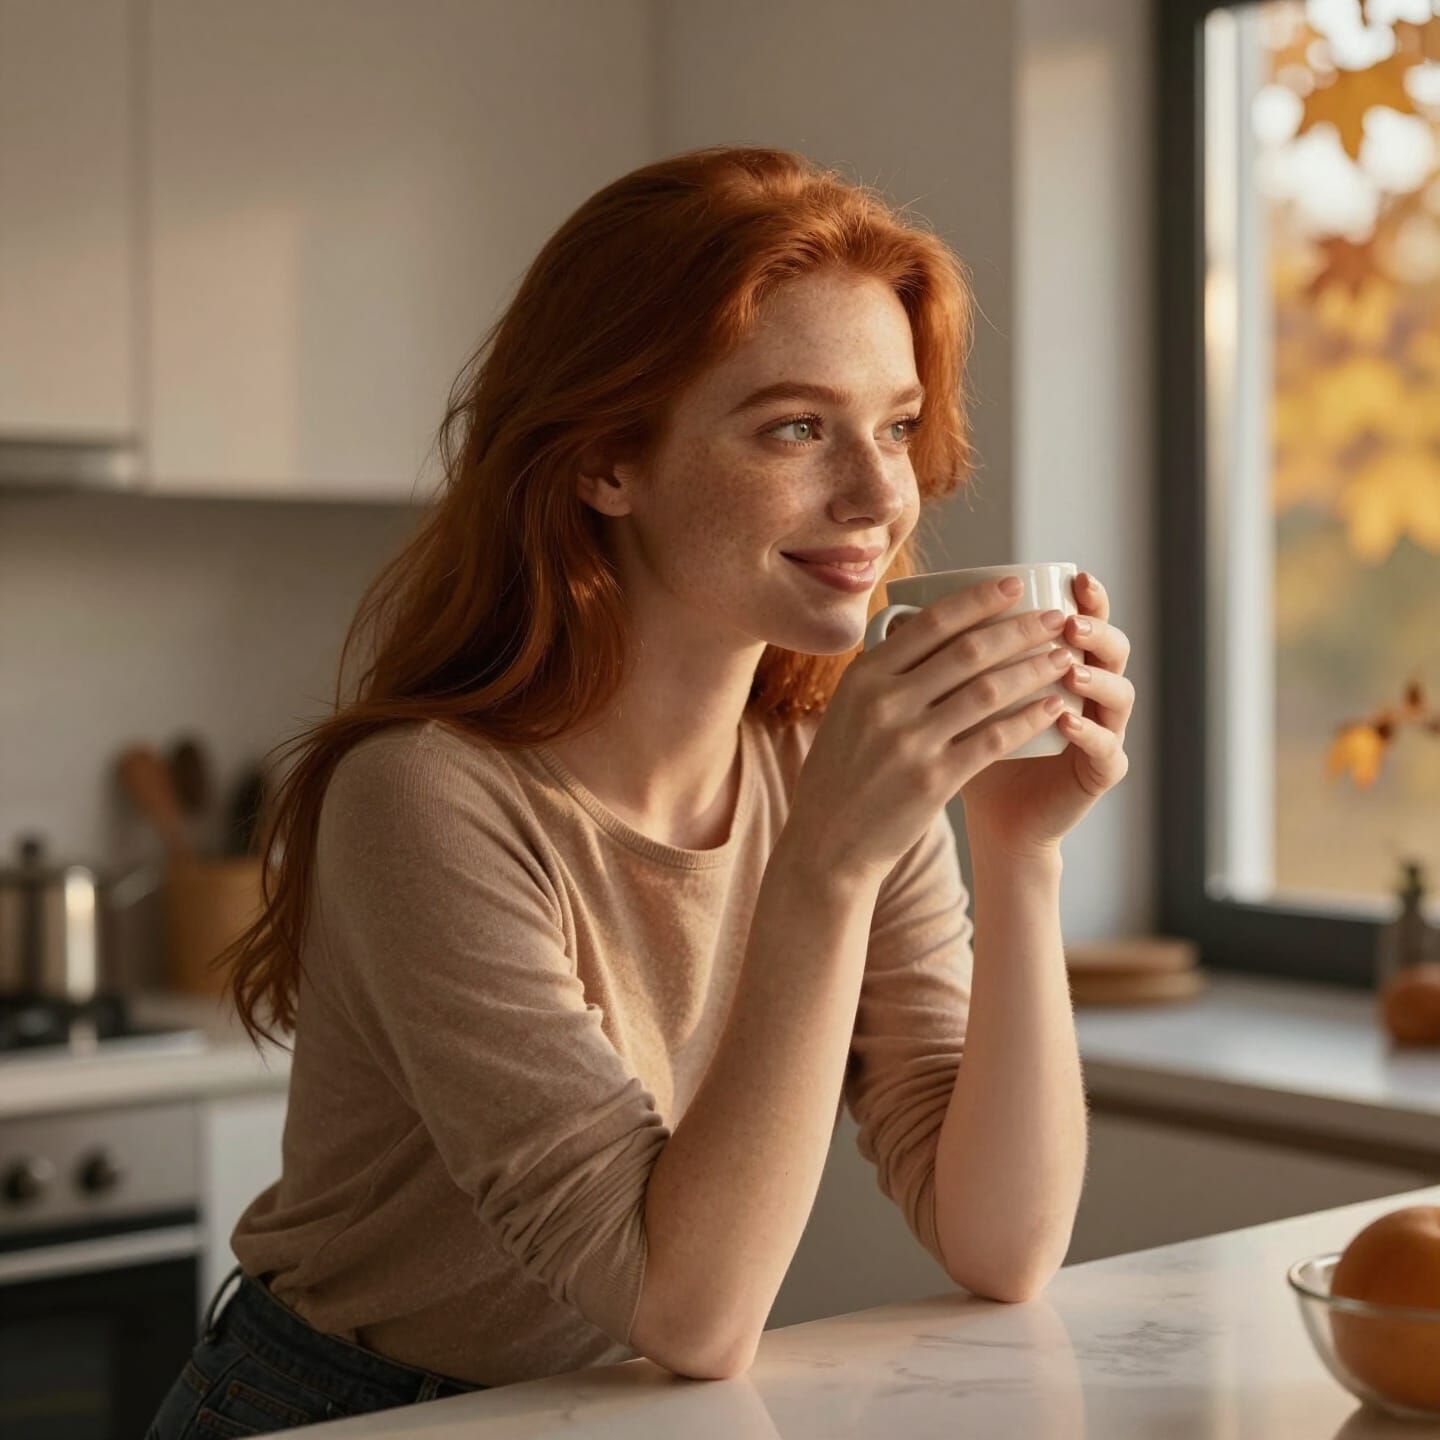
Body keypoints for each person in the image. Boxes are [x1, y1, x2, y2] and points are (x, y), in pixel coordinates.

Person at [145, 142, 1134, 1437]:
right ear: (609, 462)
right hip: (341, 1411)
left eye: (896, 425)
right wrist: (830, 862)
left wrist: (1018, 852)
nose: (881, 493)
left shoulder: (820, 763)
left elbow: (999, 1240)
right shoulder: (424, 800)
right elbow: (692, 1311)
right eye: (796, 427)